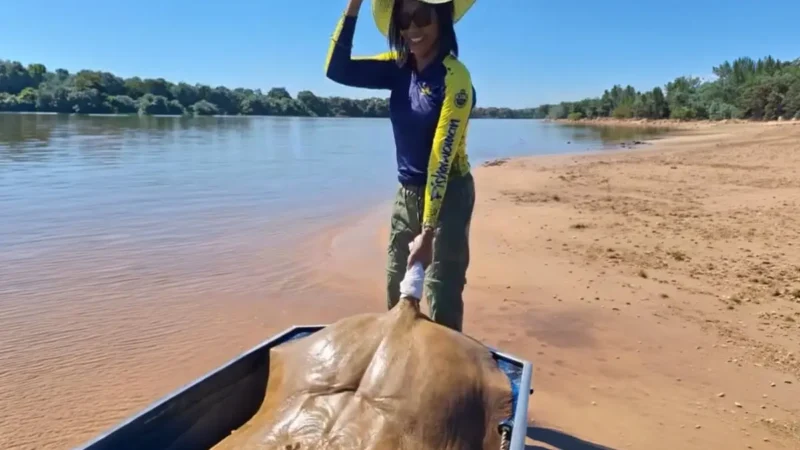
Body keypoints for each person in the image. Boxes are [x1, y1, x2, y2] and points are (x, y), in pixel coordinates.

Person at [325, 0, 477, 332]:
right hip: (407, 192)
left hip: (449, 192)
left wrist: (428, 232)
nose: (412, 29)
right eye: (404, 20)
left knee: (441, 290)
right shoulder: (398, 69)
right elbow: (337, 70)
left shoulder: (456, 78)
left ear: (442, 19)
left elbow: (441, 155)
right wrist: (354, 5)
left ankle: (445, 373)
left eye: (422, 16)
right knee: (397, 286)